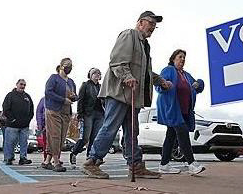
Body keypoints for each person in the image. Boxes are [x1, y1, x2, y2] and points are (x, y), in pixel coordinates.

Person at [82, 11, 172, 179]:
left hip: (133, 95)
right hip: (119, 92)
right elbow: (117, 61)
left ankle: (135, 165)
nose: (153, 27)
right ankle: (92, 162)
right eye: (150, 23)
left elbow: (146, 72)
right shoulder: (129, 34)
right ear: (140, 23)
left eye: (155, 25)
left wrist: (160, 81)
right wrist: (127, 76)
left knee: (132, 131)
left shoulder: (145, 45)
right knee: (111, 127)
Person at [156, 49, 206, 175]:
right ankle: (192, 164)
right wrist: (164, 85)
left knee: (170, 136)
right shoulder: (168, 70)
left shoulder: (186, 75)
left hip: (184, 111)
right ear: (173, 59)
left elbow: (198, 86)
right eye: (180, 57)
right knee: (182, 132)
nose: (182, 59)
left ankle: (164, 165)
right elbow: (158, 85)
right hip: (172, 109)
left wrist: (199, 83)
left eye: (184, 57)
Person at [41, 58, 77, 172]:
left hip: (66, 112)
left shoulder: (71, 82)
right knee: (55, 135)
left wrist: (74, 97)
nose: (69, 67)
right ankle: (56, 162)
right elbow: (48, 92)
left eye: (71, 65)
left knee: (61, 138)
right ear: (61, 66)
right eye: (67, 65)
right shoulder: (54, 78)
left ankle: (47, 161)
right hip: (53, 111)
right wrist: (63, 100)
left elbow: (74, 95)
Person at [70, 68, 105, 166]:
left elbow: (104, 101)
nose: (97, 75)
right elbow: (80, 100)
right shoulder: (85, 85)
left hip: (99, 114)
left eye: (99, 73)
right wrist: (80, 114)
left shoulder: (101, 87)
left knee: (94, 138)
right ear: (90, 75)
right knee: (85, 138)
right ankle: (74, 152)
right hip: (88, 114)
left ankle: (90, 158)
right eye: (95, 73)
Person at [2, 79, 34, 165]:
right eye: (21, 84)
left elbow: (31, 110)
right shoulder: (10, 95)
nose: (22, 86)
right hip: (12, 125)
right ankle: (8, 158)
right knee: (10, 142)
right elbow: (5, 108)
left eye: (24, 85)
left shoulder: (27, 96)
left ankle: (23, 158)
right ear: (17, 84)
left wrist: (28, 120)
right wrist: (12, 119)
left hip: (24, 125)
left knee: (24, 143)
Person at [36, 97, 47, 161]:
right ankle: (46, 159)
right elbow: (39, 112)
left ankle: (56, 159)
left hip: (57, 123)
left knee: (57, 142)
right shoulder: (43, 100)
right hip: (45, 124)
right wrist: (40, 125)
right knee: (46, 143)